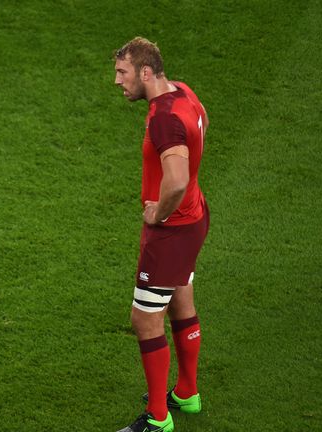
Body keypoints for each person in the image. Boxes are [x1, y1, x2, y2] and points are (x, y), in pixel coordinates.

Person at [112, 37, 210, 432]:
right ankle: (187, 392)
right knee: (181, 303)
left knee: (145, 321)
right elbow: (201, 129)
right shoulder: (183, 92)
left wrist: (158, 213)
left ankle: (157, 418)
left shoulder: (163, 119)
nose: (118, 82)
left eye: (123, 73)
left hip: (171, 233)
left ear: (146, 73)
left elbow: (176, 180)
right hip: (195, 221)